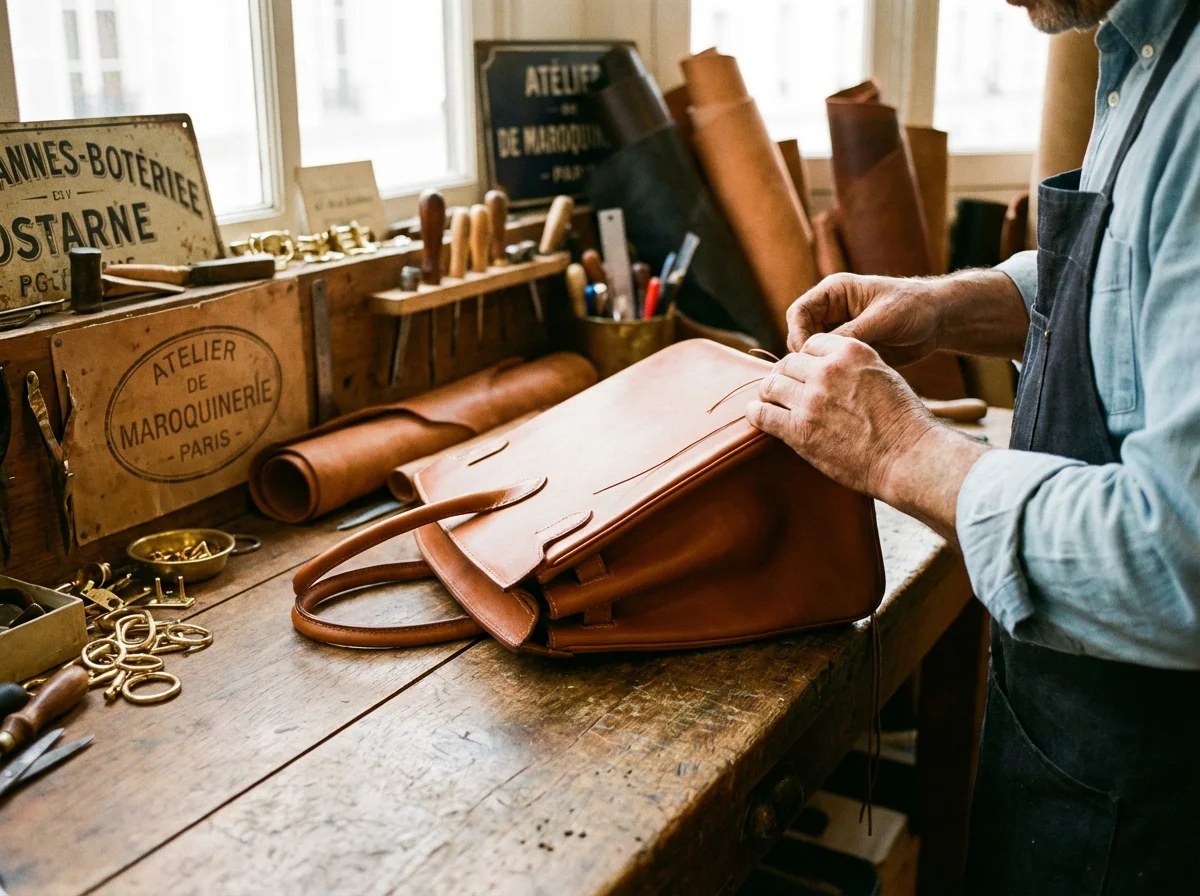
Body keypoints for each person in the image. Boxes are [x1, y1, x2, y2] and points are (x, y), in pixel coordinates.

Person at [746, 0, 1200, 892]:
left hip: (1156, 805)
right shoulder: (1147, 43)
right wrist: (954, 304)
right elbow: (1132, 281)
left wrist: (902, 452)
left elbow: (1178, 555)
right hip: (1072, 744)